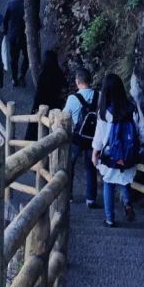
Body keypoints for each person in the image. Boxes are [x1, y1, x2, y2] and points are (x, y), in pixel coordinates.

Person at [92, 72, 144, 227]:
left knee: (108, 183)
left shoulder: (104, 112)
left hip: (111, 155)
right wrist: (142, 145)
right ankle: (127, 203)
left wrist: (95, 153)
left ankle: (110, 219)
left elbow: (99, 136)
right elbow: (141, 129)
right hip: (129, 154)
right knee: (124, 181)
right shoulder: (133, 107)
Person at [63, 66, 99, 207]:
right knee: (90, 167)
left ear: (78, 82)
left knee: (70, 165)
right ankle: (91, 199)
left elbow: (65, 116)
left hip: (77, 137)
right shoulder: (99, 95)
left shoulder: (73, 98)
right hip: (94, 137)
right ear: (90, 81)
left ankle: (69, 195)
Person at [25, 50, 66, 140]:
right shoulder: (59, 73)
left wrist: (35, 108)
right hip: (55, 104)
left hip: (42, 104)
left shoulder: (43, 75)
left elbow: (39, 93)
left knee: (35, 127)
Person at [3, 0, 29, 87]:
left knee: (14, 59)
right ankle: (22, 74)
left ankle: (14, 79)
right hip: (25, 35)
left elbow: (5, 20)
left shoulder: (10, 5)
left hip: (13, 36)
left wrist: (5, 32)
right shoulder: (28, 4)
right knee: (27, 57)